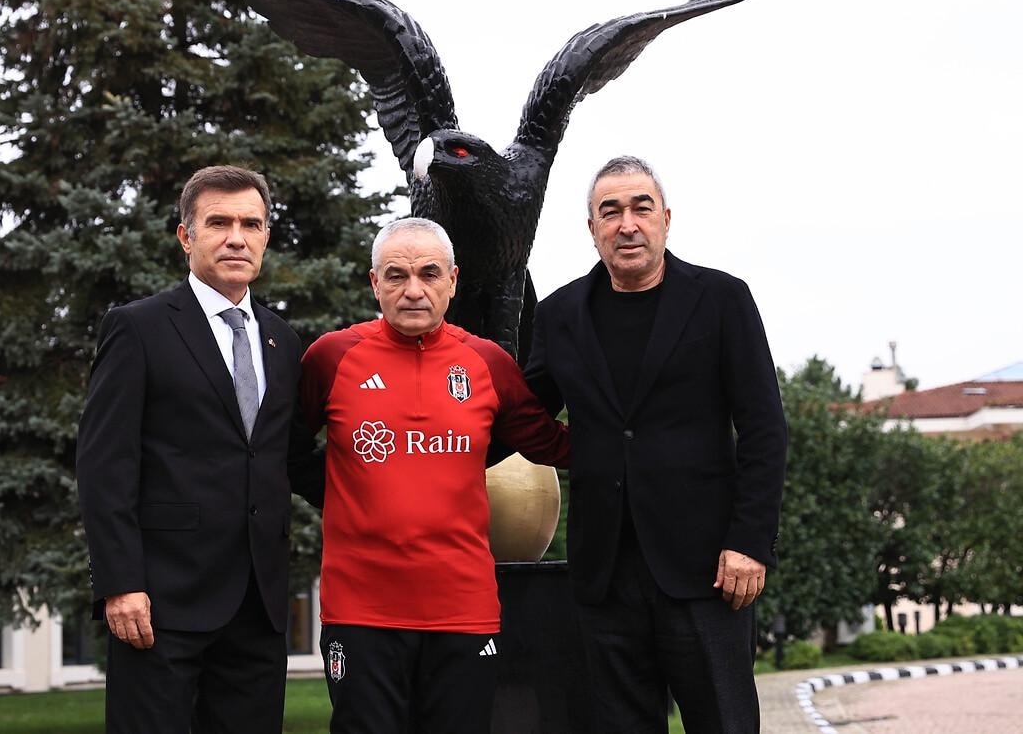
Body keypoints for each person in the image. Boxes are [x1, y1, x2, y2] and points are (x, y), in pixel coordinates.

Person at [524, 156, 788, 734]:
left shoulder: (722, 299)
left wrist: (750, 542)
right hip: (604, 576)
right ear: (591, 228)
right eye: (610, 211)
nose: (627, 224)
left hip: (709, 571)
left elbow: (765, 429)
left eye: (641, 208)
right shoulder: (560, 314)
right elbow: (521, 412)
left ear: (665, 219)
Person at [298, 216, 568, 734]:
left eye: (429, 273)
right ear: (375, 282)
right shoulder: (331, 357)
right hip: (361, 611)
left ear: (452, 280)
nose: (413, 290)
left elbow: (548, 442)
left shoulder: (487, 363)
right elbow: (282, 451)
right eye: (396, 275)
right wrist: (345, 493)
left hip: (463, 610)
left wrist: (643, 441)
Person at [76, 165, 320, 734]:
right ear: (186, 237)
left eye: (251, 224)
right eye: (219, 223)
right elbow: (105, 463)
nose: (237, 238)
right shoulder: (138, 328)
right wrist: (120, 582)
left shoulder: (283, 341)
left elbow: (290, 458)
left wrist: (404, 488)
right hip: (160, 602)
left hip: (258, 605)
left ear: (265, 237)